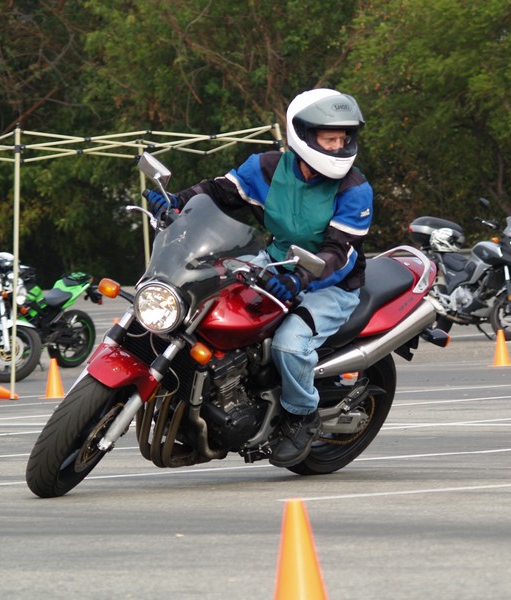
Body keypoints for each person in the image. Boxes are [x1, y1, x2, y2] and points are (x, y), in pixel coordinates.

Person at [146, 88, 372, 467]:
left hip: (331, 285)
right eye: (328, 139)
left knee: (289, 344)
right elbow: (218, 191)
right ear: (302, 134)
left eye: (342, 139)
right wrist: (176, 201)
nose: (338, 147)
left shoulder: (354, 189)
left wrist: (300, 279)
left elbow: (340, 252)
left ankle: (302, 415)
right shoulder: (266, 168)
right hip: (274, 263)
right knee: (205, 296)